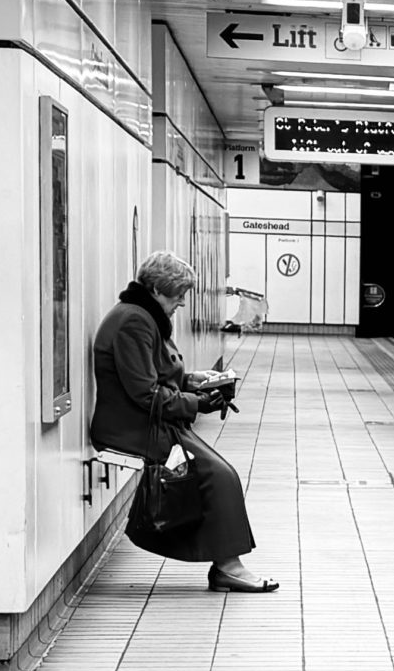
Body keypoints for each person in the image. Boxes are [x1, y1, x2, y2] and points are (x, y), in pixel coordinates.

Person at [91, 250, 278, 593]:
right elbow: (146, 394)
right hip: (132, 427)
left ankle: (227, 564)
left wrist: (197, 381)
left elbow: (159, 375)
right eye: (179, 295)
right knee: (217, 475)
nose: (181, 303)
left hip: (150, 422)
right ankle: (228, 567)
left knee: (219, 472)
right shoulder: (135, 322)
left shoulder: (143, 316)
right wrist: (199, 403)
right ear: (159, 290)